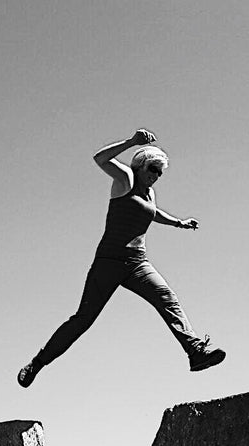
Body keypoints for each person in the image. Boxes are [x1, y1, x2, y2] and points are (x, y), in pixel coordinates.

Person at [17, 129, 225, 387]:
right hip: (109, 261)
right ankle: (38, 363)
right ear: (140, 165)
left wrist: (178, 223)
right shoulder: (125, 179)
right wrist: (131, 142)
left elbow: (152, 212)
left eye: (160, 173)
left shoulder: (149, 193)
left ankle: (195, 352)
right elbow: (99, 159)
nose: (155, 176)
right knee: (83, 319)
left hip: (138, 263)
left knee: (167, 299)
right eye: (152, 169)